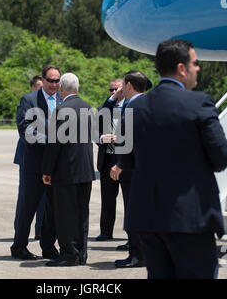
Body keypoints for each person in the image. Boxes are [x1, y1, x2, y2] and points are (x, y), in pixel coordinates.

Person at [113, 39, 227, 279]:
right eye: (195, 63)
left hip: (148, 218)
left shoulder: (134, 109)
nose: (198, 68)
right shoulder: (199, 103)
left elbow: (125, 161)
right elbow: (222, 157)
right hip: (190, 219)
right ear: (181, 68)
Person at [42, 73, 95, 266]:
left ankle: (69, 255)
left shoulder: (61, 109)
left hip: (66, 171)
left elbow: (54, 144)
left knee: (65, 215)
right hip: (85, 170)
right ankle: (81, 253)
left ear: (62, 89)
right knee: (82, 214)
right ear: (77, 88)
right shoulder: (88, 108)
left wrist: (47, 170)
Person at [10, 65, 61, 260]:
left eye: (57, 81)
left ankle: (48, 247)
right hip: (34, 165)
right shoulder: (29, 99)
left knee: (52, 209)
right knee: (27, 207)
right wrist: (49, 140)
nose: (54, 85)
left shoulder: (62, 99)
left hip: (55, 166)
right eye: (50, 80)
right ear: (43, 79)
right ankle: (19, 246)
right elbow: (24, 128)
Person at [109, 71, 151, 268]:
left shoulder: (133, 106)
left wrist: (120, 164)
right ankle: (142, 253)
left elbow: (127, 139)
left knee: (133, 213)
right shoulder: (150, 103)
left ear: (130, 86)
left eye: (124, 85)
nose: (122, 89)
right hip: (146, 169)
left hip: (132, 170)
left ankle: (137, 255)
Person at [13, 75, 46, 240]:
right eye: (39, 87)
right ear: (33, 88)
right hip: (28, 156)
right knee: (26, 197)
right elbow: (24, 129)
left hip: (46, 158)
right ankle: (20, 234)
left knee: (45, 199)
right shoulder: (28, 102)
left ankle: (40, 230)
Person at [95, 79, 125, 242]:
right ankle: (105, 232)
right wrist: (102, 138)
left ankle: (132, 237)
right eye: (111, 90)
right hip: (107, 160)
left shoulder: (130, 108)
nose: (114, 92)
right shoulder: (103, 110)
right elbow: (93, 133)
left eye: (117, 89)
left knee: (129, 200)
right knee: (107, 199)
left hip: (126, 160)